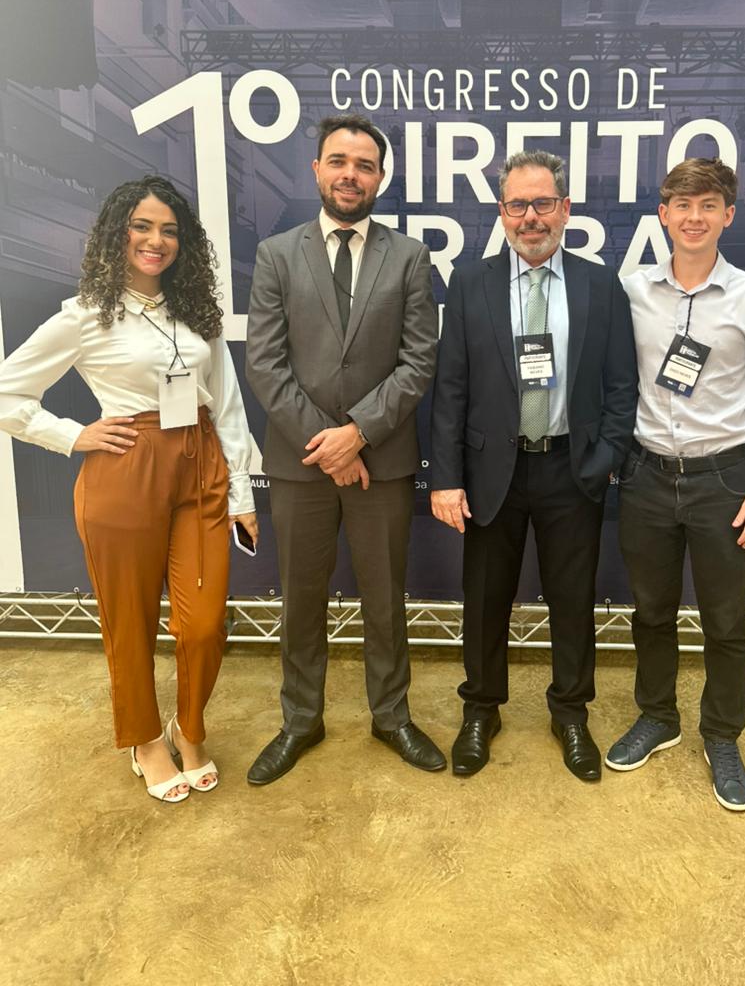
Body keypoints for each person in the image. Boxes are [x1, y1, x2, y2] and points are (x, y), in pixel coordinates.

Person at [0, 176, 257, 803]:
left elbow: (226, 404)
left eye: (168, 230)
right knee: (130, 621)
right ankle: (144, 739)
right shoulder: (86, 314)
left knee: (203, 623)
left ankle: (187, 728)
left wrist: (243, 493)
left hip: (201, 466)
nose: (155, 240)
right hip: (125, 470)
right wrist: (72, 435)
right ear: (117, 235)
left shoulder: (196, 311)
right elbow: (8, 394)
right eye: (142, 226)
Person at [245, 112, 445, 785]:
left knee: (385, 597)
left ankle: (391, 717)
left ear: (380, 177)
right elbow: (265, 364)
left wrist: (357, 433)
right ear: (317, 170)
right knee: (301, 599)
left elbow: (419, 361)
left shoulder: (409, 257)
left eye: (364, 165)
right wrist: (328, 445)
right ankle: (301, 720)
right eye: (338, 161)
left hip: (380, 463)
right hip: (299, 464)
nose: (350, 175)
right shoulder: (277, 255)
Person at [431, 150, 637, 781]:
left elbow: (621, 386)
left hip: (571, 470)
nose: (530, 217)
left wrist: (604, 459)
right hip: (492, 471)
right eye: (517, 205)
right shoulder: (470, 283)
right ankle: (481, 710)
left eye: (542, 203)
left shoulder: (601, 285)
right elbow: (450, 388)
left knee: (573, 601)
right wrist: (446, 478)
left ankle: (570, 713)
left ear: (565, 208)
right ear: (501, 212)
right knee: (484, 600)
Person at [609, 157, 745, 811]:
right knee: (651, 612)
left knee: (725, 620)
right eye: (683, 205)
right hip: (646, 476)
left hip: (725, 479)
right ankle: (658, 716)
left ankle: (721, 735)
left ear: (728, 215)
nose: (694, 217)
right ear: (664, 215)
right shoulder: (630, 292)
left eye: (708, 205)